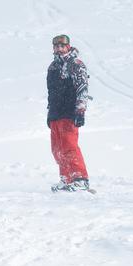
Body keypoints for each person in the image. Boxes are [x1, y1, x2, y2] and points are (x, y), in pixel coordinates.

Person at [46, 34, 91, 192]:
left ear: (68, 46)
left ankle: (80, 178)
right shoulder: (53, 67)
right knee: (56, 148)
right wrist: (49, 114)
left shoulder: (75, 64)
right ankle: (66, 178)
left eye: (62, 46)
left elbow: (82, 87)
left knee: (69, 146)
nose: (59, 48)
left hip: (69, 112)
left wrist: (80, 109)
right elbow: (51, 92)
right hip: (56, 113)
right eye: (56, 46)